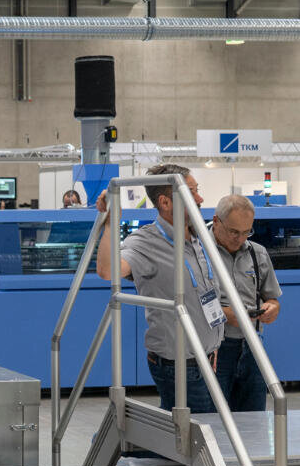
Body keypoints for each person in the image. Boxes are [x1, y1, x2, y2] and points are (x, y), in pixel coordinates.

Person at [94, 163, 222, 413]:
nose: (200, 198)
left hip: (208, 356)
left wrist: (213, 346)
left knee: (188, 434)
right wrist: (110, 223)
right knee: (196, 435)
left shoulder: (198, 238)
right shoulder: (146, 241)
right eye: (192, 192)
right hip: (181, 364)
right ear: (165, 202)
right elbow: (108, 271)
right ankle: (125, 441)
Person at [210, 195, 282, 412]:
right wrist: (225, 314)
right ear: (216, 221)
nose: (240, 238)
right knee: (213, 417)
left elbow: (271, 297)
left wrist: (272, 309)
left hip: (252, 347)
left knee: (253, 418)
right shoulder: (199, 253)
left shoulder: (257, 253)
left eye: (246, 232)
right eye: (233, 231)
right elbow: (187, 303)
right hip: (215, 350)